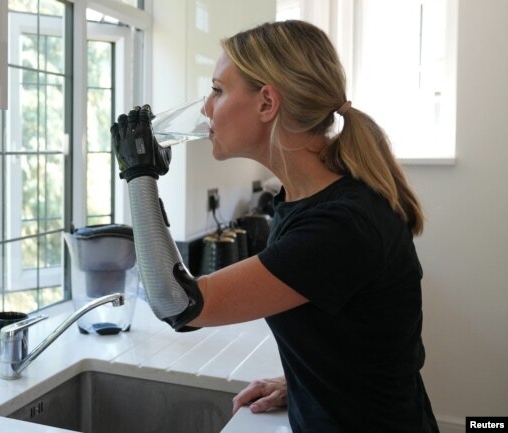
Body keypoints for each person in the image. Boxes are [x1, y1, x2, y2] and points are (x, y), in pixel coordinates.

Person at [111, 20, 439, 433]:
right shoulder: (304, 203)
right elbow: (359, 343)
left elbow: (178, 304)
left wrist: (139, 176)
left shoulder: (340, 226)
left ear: (267, 103)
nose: (206, 109)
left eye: (217, 90)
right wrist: (303, 382)